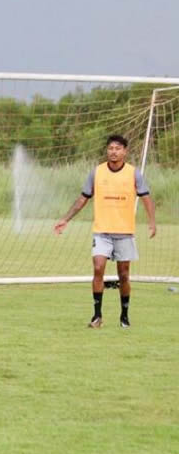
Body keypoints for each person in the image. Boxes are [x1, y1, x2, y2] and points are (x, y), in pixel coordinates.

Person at [54, 135, 157, 328]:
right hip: (101, 232)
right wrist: (65, 219)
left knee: (124, 275)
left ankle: (124, 316)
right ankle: (97, 316)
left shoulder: (133, 174)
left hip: (124, 232)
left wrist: (152, 221)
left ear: (125, 151)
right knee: (98, 267)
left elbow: (146, 198)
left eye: (118, 148)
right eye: (110, 148)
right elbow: (83, 198)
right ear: (107, 150)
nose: (113, 151)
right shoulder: (97, 172)